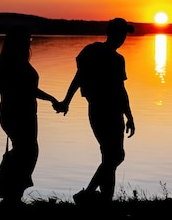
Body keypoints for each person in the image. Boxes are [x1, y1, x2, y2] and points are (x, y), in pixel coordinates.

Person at [55, 17, 136, 205]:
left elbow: (120, 90)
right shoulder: (93, 52)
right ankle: (87, 194)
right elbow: (79, 78)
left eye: (125, 34)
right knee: (116, 156)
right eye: (121, 33)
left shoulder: (115, 58)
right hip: (100, 110)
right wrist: (66, 101)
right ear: (111, 33)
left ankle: (105, 199)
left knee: (110, 157)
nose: (123, 38)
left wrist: (129, 115)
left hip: (113, 111)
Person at [0, 25, 58, 204]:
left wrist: (51, 99)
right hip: (17, 113)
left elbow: (29, 89)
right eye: (27, 39)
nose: (29, 42)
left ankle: (13, 195)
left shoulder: (14, 61)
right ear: (18, 41)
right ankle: (11, 196)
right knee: (26, 152)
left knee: (26, 151)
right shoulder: (11, 63)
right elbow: (26, 90)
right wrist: (51, 99)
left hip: (24, 113)